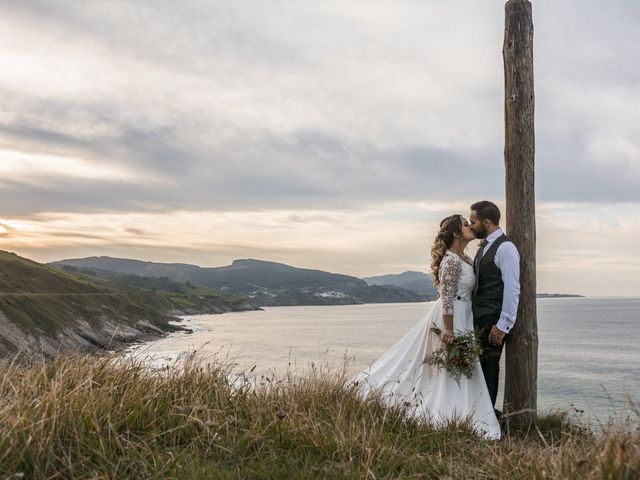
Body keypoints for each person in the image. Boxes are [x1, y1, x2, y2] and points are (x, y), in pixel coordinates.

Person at [350, 214, 500, 440]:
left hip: (465, 315)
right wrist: (449, 330)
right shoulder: (451, 260)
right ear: (457, 233)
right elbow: (447, 297)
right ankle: (449, 411)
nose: (471, 226)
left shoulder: (466, 259)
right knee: (450, 367)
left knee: (460, 367)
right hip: (451, 318)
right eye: (466, 224)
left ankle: (464, 411)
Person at [469, 201, 520, 418]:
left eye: (473, 222)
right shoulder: (485, 246)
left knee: (489, 369)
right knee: (480, 369)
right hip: (479, 319)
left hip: (493, 322)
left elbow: (512, 287)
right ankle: (481, 413)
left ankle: (488, 420)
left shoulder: (505, 248)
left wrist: (503, 325)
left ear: (486, 222)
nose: (471, 226)